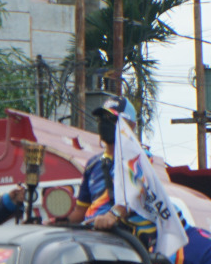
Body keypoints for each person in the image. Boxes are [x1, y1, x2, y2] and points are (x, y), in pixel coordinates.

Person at [60, 95, 157, 242]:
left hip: (123, 241)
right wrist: (59, 222)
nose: (105, 123)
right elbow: (80, 211)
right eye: (101, 119)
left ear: (130, 126)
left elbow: (135, 197)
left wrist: (113, 215)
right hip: (92, 237)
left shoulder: (140, 159)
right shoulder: (93, 164)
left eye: (112, 119)